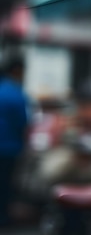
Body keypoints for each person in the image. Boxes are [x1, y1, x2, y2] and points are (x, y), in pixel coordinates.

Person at [0, 53, 30, 226]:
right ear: (18, 71)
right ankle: (3, 218)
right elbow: (23, 122)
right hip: (9, 148)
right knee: (5, 185)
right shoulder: (17, 93)